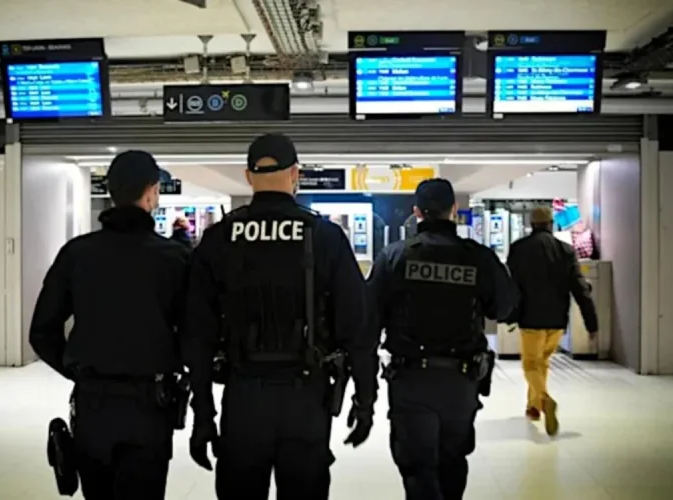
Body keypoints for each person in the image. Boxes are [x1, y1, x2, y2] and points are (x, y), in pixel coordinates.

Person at [183, 133, 379, 500]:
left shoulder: (220, 237)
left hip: (243, 398)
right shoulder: (325, 235)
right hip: (307, 398)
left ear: (247, 176)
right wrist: (365, 399)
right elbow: (358, 327)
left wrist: (204, 415)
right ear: (296, 175)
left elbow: (197, 335)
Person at [29, 150, 190, 500]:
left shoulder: (77, 254)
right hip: (151, 406)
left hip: (93, 407)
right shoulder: (175, 259)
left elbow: (42, 331)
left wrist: (76, 368)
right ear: (150, 192)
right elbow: (195, 332)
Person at [367, 178, 517, 500]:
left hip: (410, 380)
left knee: (417, 467)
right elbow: (504, 307)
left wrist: (363, 388)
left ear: (416, 212)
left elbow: (368, 318)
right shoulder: (478, 258)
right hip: (460, 381)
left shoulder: (395, 256)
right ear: (454, 210)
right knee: (452, 461)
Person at [506, 206, 598, 435]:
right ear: (550, 224)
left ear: (531, 224)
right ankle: (533, 406)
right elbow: (579, 288)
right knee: (542, 363)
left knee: (530, 364)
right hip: (557, 319)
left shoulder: (519, 249)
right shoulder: (566, 250)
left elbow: (510, 284)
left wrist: (505, 312)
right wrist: (591, 322)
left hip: (530, 318)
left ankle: (545, 400)